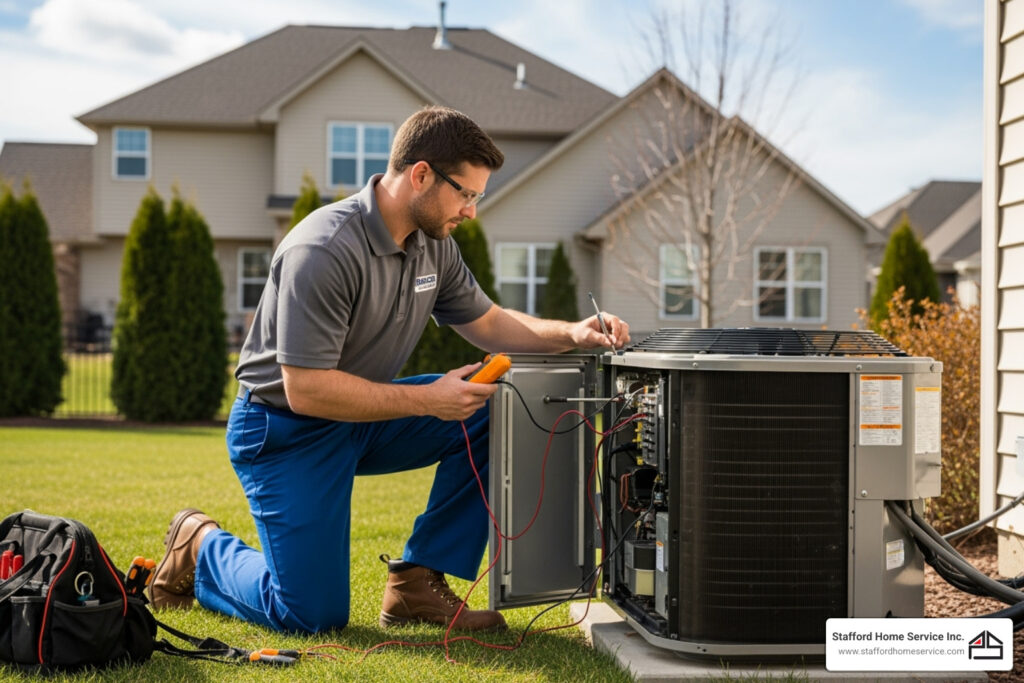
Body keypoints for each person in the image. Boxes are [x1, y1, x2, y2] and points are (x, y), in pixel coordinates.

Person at [147, 105, 630, 634]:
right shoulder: (324, 249)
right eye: (465, 193)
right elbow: (305, 390)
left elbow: (489, 323)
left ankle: (416, 582)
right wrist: (427, 400)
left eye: (477, 198)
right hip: (285, 429)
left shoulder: (433, 247)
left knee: (490, 407)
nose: (470, 211)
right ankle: (201, 545)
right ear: (421, 175)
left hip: (360, 417)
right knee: (310, 615)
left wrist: (573, 333)